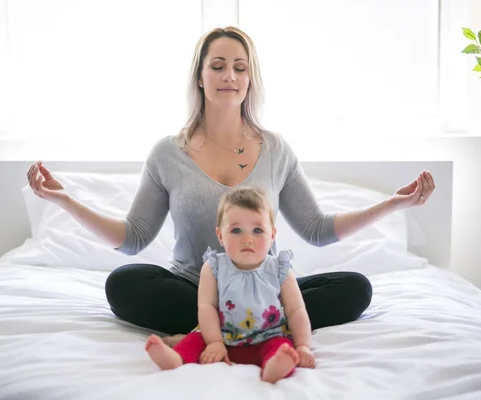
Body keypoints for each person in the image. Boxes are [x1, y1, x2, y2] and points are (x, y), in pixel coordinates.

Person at [26, 26, 435, 346]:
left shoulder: (276, 149)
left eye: (240, 68)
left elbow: (316, 229)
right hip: (191, 288)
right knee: (123, 283)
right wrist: (64, 200)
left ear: (250, 80)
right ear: (200, 77)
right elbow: (133, 238)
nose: (229, 76)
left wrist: (391, 205)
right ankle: (255, 330)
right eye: (218, 65)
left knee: (355, 288)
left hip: (265, 288)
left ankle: (233, 327)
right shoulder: (168, 153)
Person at [145, 187, 314, 383]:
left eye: (258, 230)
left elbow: (296, 310)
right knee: (195, 339)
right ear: (220, 235)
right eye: (236, 230)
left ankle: (273, 367)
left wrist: (303, 346)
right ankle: (176, 358)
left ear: (273, 235)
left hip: (266, 337)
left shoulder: (280, 269)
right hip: (222, 338)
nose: (247, 239)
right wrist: (215, 342)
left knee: (281, 345)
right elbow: (207, 307)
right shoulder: (214, 267)